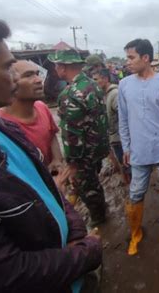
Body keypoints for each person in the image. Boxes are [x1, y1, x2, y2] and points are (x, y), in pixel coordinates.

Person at [0, 13, 102, 292]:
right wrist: (86, 253)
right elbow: (6, 272)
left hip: (72, 271)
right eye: (8, 67)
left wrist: (77, 231)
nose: (32, 79)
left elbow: (46, 188)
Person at [119, 38, 159, 255]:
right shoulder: (124, 85)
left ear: (145, 58)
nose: (128, 62)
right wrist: (126, 146)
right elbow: (123, 119)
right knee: (135, 193)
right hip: (138, 149)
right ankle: (135, 233)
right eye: (127, 57)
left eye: (131, 57)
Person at [48, 49, 109, 227]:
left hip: (83, 155)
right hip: (97, 148)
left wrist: (72, 162)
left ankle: (99, 220)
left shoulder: (69, 95)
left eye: (56, 65)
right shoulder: (93, 84)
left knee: (87, 189)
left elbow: (71, 135)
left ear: (63, 67)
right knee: (94, 183)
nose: (55, 69)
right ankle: (102, 209)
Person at [0, 60, 63, 170]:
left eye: (37, 74)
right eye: (28, 75)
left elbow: (51, 136)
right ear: (10, 82)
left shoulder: (42, 107)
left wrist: (57, 160)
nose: (39, 80)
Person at [92, 68, 131, 183]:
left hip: (120, 139)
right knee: (124, 166)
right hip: (115, 139)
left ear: (105, 79)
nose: (93, 83)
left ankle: (134, 194)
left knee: (128, 167)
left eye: (96, 79)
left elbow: (127, 117)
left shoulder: (114, 94)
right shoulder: (105, 94)